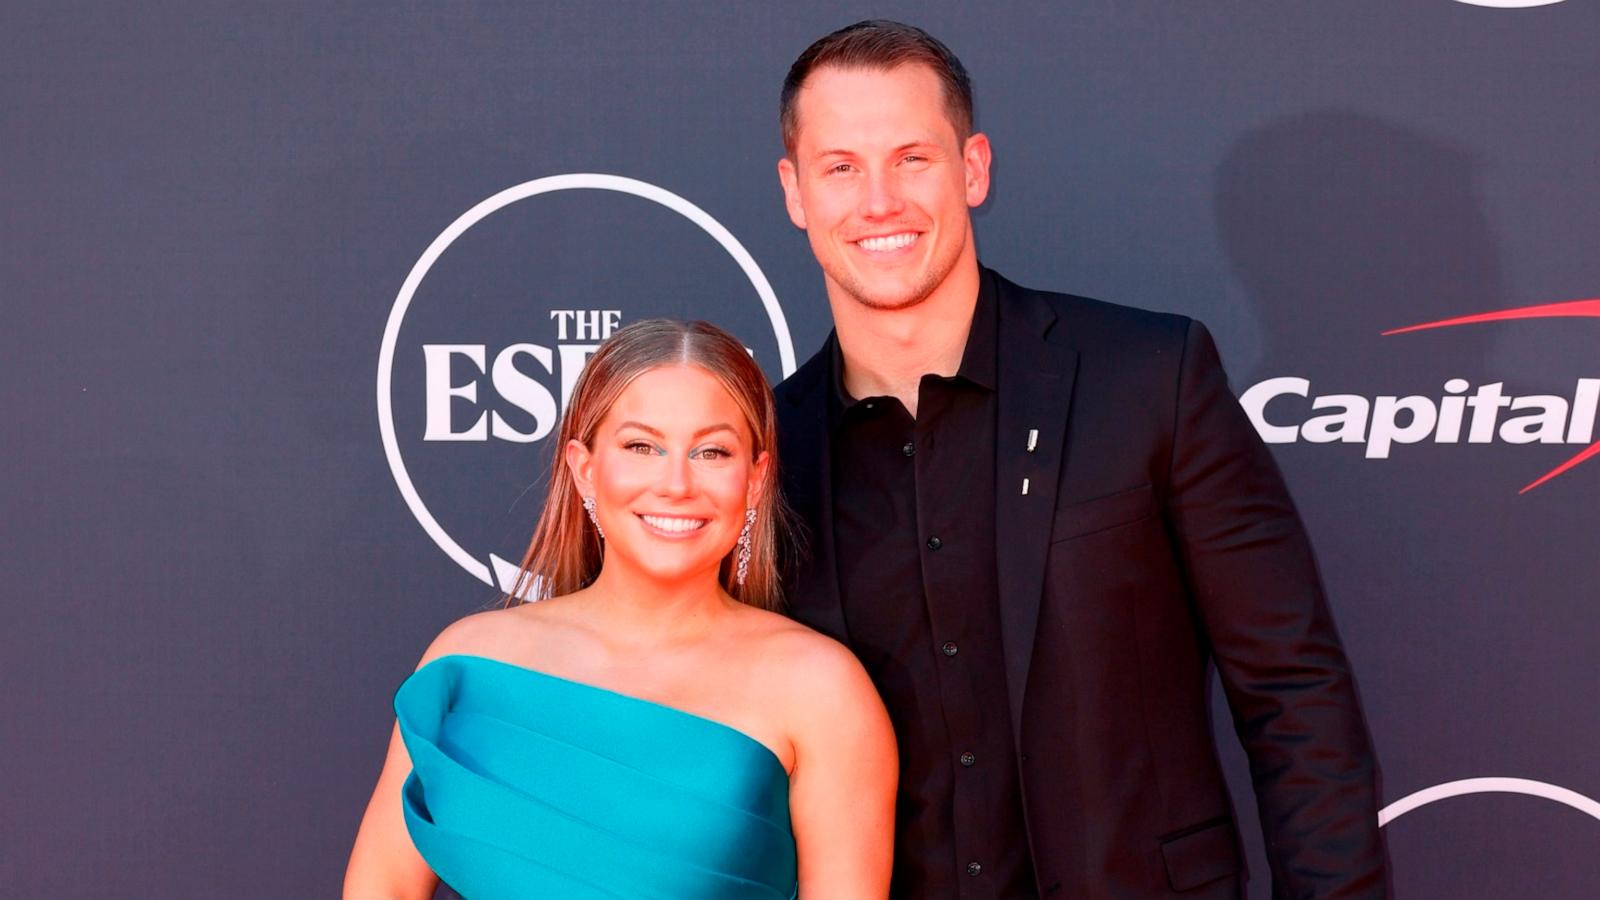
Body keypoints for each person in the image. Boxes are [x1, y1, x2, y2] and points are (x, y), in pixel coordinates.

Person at [772, 20, 1385, 899]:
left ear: (973, 168)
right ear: (795, 192)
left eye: (913, 158)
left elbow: (1296, 695)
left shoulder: (1148, 377)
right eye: (841, 167)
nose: (880, 202)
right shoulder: (766, 453)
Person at [344, 320, 897, 900]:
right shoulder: (468, 662)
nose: (676, 483)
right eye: (642, 446)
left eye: (712, 451)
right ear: (584, 467)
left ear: (755, 480)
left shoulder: (820, 689)